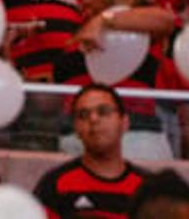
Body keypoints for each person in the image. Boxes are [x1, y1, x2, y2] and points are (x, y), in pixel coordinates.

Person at [32, 84, 146, 217]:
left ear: (124, 122)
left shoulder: (147, 187)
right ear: (76, 129)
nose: (93, 119)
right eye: (83, 115)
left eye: (103, 111)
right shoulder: (55, 184)